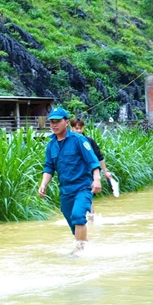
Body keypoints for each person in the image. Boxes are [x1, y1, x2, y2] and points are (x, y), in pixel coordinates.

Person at [38, 107, 102, 254]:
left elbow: (93, 161)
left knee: (78, 216)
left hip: (82, 187)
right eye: (52, 122)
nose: (54, 125)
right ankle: (85, 247)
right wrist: (43, 184)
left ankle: (79, 253)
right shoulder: (51, 145)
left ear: (66, 122)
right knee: (74, 224)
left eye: (58, 121)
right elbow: (49, 167)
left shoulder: (79, 140)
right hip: (65, 191)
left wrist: (97, 179)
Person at [70, 118, 114, 217]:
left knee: (87, 198)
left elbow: (99, 157)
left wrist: (105, 172)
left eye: (80, 128)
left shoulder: (89, 141)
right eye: (76, 128)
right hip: (73, 176)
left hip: (88, 175)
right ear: (71, 128)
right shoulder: (68, 142)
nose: (78, 131)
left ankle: (91, 222)